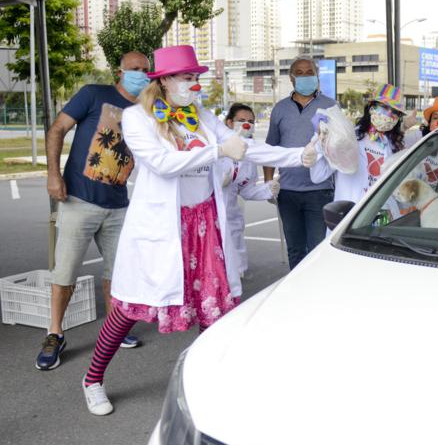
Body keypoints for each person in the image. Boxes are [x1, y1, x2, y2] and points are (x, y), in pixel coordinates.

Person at [80, 45, 314, 415]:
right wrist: (218, 152)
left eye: (197, 78)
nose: (195, 84)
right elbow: (161, 163)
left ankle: (209, 381)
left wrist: (297, 156)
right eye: (188, 78)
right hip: (164, 227)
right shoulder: (136, 117)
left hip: (204, 223)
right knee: (129, 307)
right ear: (166, 81)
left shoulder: (199, 116)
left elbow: (245, 148)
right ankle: (93, 379)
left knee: (212, 306)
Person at [36, 50, 151, 371]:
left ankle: (114, 331)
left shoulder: (146, 110)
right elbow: (57, 129)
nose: (140, 74)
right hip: (79, 199)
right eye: (135, 69)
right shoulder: (93, 94)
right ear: (120, 71)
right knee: (65, 272)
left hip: (119, 206)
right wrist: (53, 174)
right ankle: (54, 334)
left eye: (145, 69)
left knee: (118, 274)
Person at [263, 55, 337, 269]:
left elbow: (341, 146)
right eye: (300, 73)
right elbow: (271, 149)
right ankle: (295, 288)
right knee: (295, 248)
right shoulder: (280, 109)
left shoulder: (330, 106)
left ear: (317, 76)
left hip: (320, 191)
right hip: (288, 192)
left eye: (310, 72)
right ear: (291, 77)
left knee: (318, 248)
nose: (305, 77)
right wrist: (269, 184)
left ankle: (316, 291)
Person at [309, 84, 407, 208]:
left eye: (395, 112)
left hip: (382, 218)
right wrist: (319, 141)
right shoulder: (347, 138)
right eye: (384, 107)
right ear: (371, 108)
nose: (388, 115)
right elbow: (318, 176)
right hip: (349, 217)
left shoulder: (394, 146)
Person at [221, 103, 280, 275]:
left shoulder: (251, 151)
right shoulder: (215, 146)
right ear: (229, 123)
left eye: (250, 121)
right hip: (208, 213)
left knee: (233, 266)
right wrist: (218, 179)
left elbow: (246, 190)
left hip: (231, 215)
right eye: (241, 120)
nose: (246, 124)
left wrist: (269, 189)